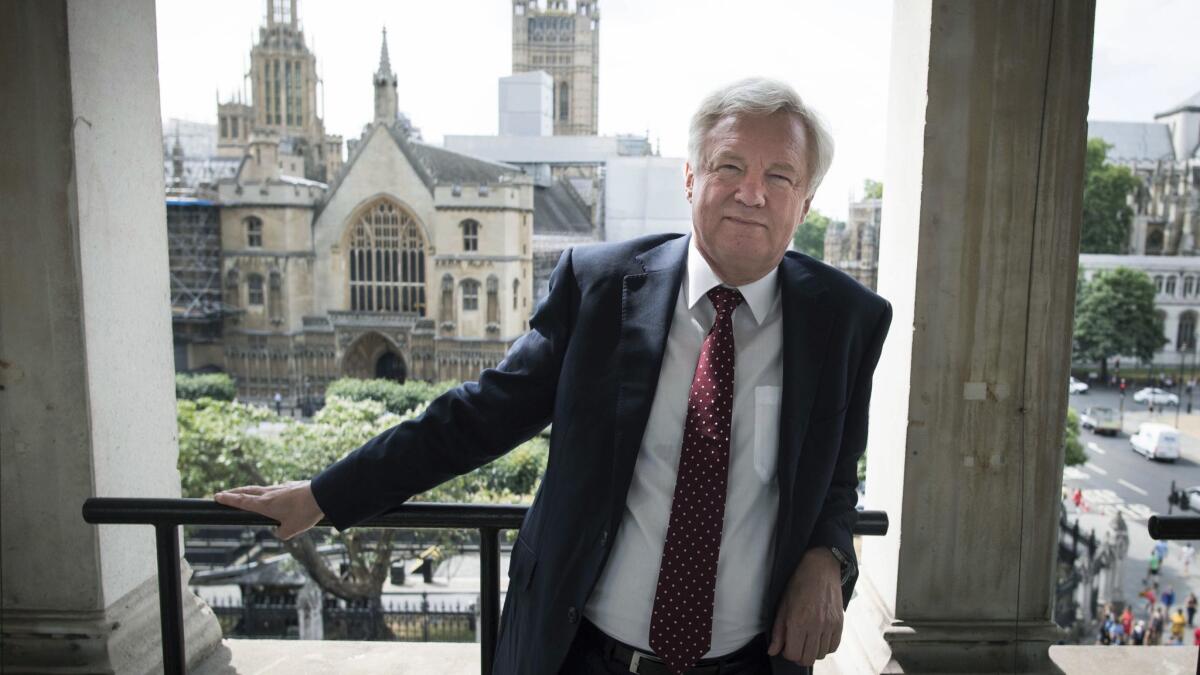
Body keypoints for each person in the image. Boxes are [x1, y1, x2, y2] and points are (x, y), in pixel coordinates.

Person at [214, 78, 893, 675]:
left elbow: (834, 473)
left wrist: (829, 554)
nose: (751, 191)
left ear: (805, 202)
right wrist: (324, 495)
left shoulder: (846, 320)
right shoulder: (599, 287)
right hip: (580, 652)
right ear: (691, 178)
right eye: (730, 165)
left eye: (780, 175)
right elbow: (480, 414)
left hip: (748, 662)